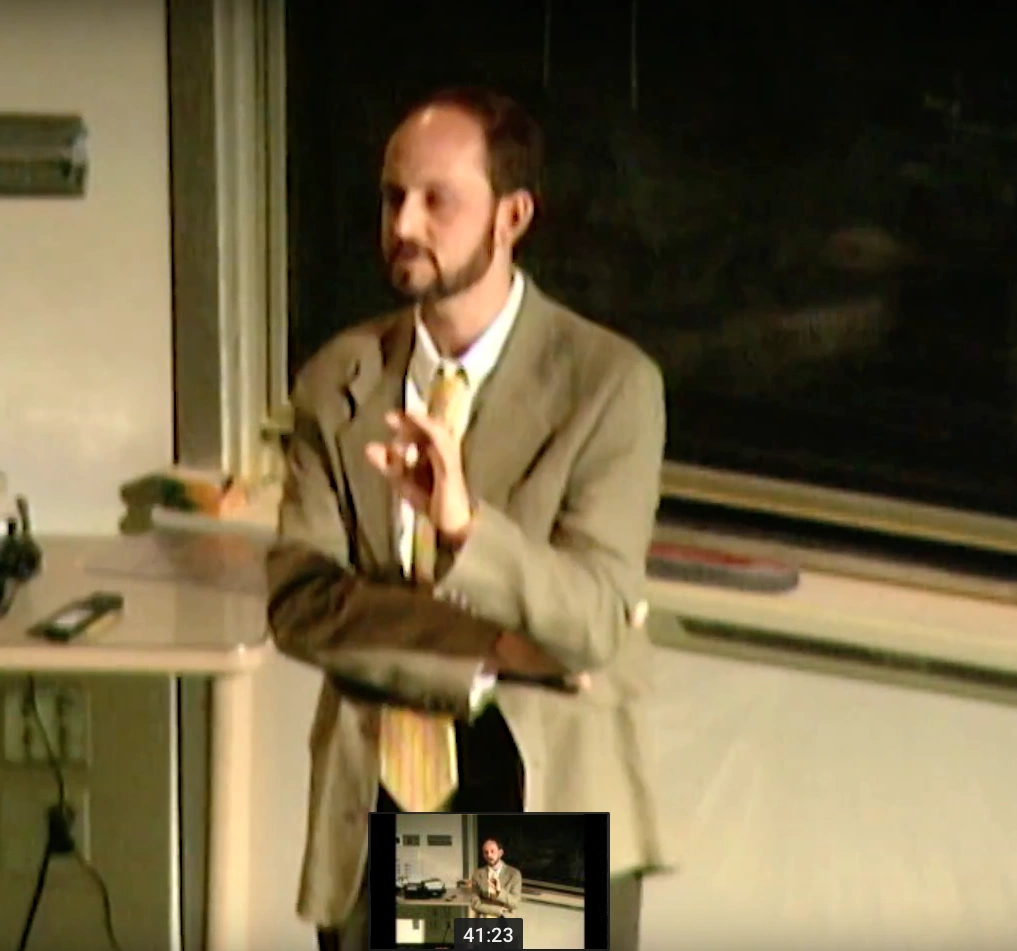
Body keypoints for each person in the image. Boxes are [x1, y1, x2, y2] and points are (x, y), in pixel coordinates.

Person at [267, 85, 667, 951]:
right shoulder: (339, 377)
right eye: (391, 196)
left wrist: (464, 532)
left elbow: (592, 617)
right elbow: (300, 602)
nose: (405, 222)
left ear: (511, 215)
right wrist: (488, 646)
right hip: (372, 790)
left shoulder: (605, 384)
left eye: (436, 200)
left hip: (521, 794)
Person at [465, 838, 521, 919]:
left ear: (500, 853)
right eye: (486, 852)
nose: (489, 855)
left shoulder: (514, 874)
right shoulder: (477, 874)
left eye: (492, 851)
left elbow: (515, 903)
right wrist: (498, 910)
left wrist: (499, 892)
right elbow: (475, 903)